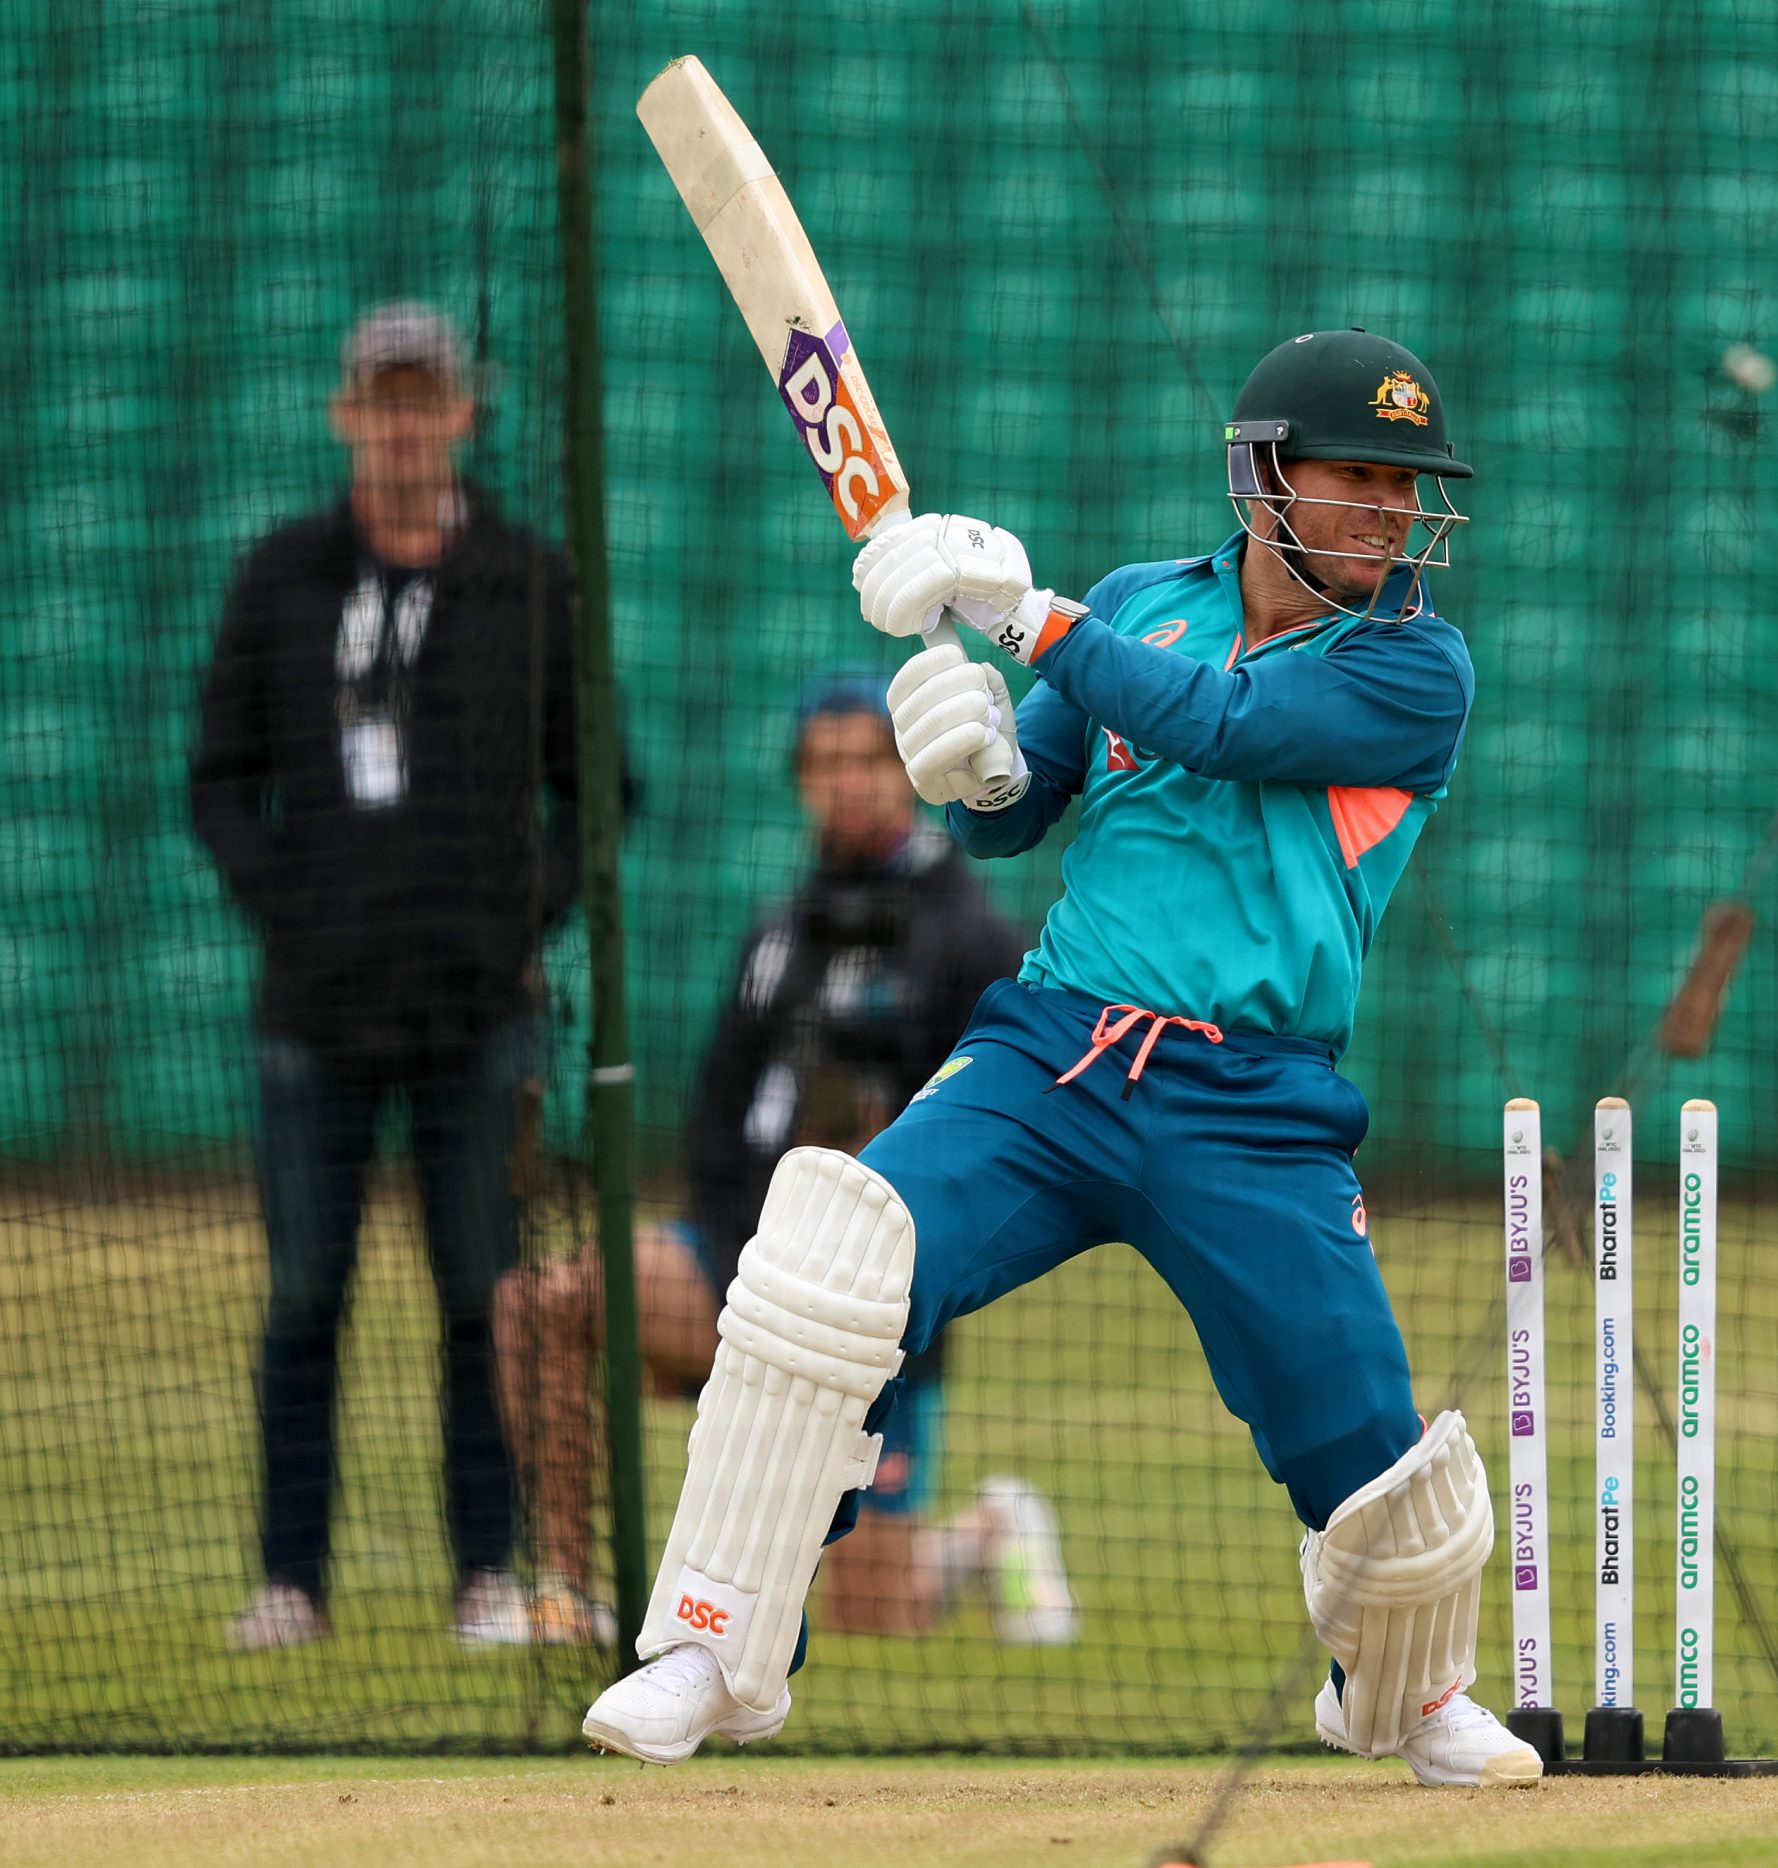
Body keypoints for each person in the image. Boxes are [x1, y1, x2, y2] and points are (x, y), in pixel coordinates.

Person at [584, 329, 1537, 1788]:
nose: (1397, 510)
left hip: (1252, 1101)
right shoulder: (1152, 603)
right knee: (835, 1261)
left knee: (1365, 1435)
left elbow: (1223, 727)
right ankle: (709, 1645)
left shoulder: (1417, 668)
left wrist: (1024, 613)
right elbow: (1016, 812)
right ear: (1266, 474)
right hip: (1055, 1057)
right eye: (1364, 476)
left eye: (1412, 485)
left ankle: (1407, 1700)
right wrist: (975, 767)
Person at [493, 672, 1075, 1647]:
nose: (846, 782)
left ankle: (986, 1528)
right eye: (824, 763)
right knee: (541, 1300)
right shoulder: (777, 927)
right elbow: (717, 1109)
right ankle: (564, 1591)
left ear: (910, 770)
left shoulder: (964, 932)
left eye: (867, 760)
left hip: (872, 1303)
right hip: (737, 1260)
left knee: (874, 1613)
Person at [191, 302, 592, 1650]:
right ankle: (288, 1579)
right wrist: (292, 908)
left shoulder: (527, 580)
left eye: (429, 398)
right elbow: (217, 785)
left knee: (483, 1296)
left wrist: (510, 924)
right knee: (306, 1296)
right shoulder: (280, 579)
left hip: (478, 1015)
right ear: (347, 416)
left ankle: (489, 1569)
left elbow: (595, 791)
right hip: (313, 1011)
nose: (407, 421)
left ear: (464, 416)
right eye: (384, 398)